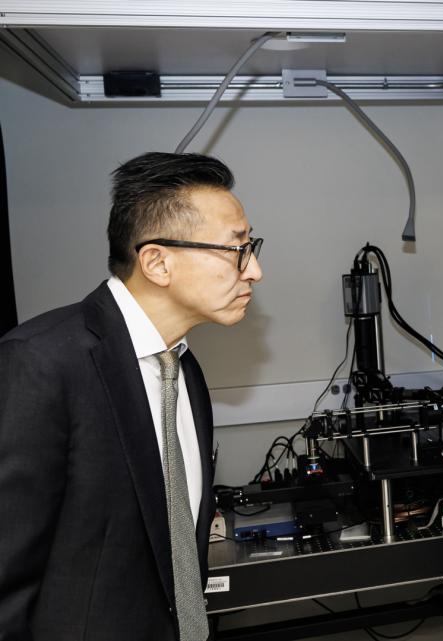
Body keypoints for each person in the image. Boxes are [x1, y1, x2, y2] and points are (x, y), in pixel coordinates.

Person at [0, 152, 263, 640]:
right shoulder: (40, 361)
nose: (254, 271)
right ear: (157, 262)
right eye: (237, 250)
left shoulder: (183, 367)